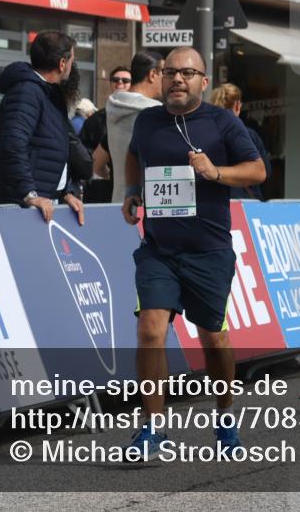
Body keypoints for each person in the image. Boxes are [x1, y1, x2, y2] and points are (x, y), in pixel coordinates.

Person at [121, 47, 265, 456]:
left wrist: (215, 172)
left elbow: (257, 170)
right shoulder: (147, 121)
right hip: (159, 250)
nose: (177, 79)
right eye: (170, 72)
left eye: (187, 72)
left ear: (204, 81)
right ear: (161, 78)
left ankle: (225, 418)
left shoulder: (221, 122)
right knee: (150, 329)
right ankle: (152, 428)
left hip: (209, 250)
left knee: (214, 339)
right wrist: (133, 192)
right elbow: (133, 156)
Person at [0, 30, 84, 225]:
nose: (73, 65)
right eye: (72, 59)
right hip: (21, 207)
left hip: (41, 203)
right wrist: (29, 193)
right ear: (62, 64)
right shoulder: (27, 92)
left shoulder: (48, 92)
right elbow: (12, 144)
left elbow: (50, 147)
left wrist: (65, 192)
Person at [99, 50, 164, 202]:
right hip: (148, 202)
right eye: (165, 73)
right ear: (153, 74)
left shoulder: (113, 104)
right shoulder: (156, 112)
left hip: (119, 198)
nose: (168, 79)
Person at [209, 83, 271, 200]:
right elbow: (265, 172)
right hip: (245, 200)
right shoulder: (249, 134)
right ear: (237, 106)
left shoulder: (204, 132)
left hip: (214, 200)